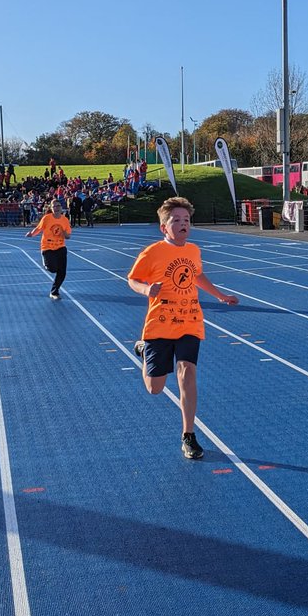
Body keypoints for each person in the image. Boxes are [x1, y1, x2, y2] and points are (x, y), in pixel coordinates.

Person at [127, 197, 238, 460]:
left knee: (187, 373)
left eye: (186, 220)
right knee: (154, 388)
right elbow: (132, 278)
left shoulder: (193, 251)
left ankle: (188, 435)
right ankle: (143, 349)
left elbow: (197, 275)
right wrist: (146, 289)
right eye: (176, 220)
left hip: (189, 321)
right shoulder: (152, 252)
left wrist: (220, 295)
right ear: (164, 227)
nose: (182, 224)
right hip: (159, 326)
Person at [26, 198, 72, 299]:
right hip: (47, 247)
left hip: (60, 247)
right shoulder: (47, 218)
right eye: (54, 206)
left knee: (62, 272)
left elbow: (68, 236)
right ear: (51, 208)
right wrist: (31, 234)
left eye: (58, 206)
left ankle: (54, 292)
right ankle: (46, 264)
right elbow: (39, 228)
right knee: (52, 269)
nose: (56, 208)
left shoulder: (65, 220)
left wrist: (64, 234)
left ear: (61, 208)